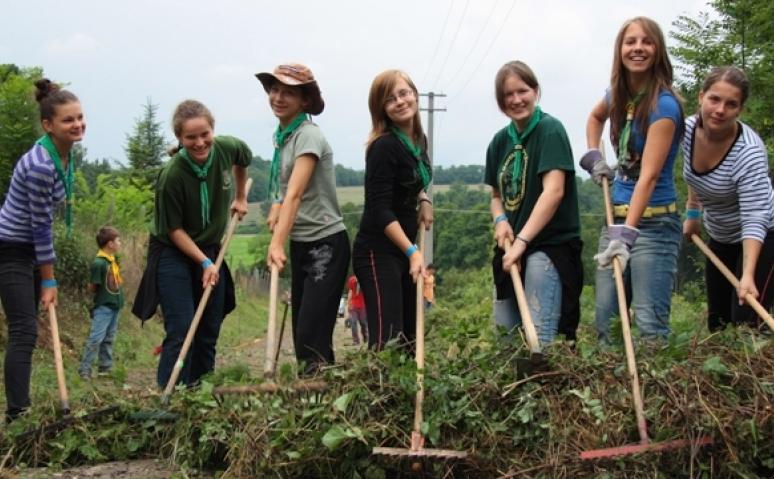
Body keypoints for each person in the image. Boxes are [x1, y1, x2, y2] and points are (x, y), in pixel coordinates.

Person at [582, 16, 684, 344]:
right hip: (617, 219)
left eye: (646, 42)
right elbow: (595, 117)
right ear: (620, 50)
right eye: (630, 42)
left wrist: (626, 236)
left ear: (657, 51)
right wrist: (594, 156)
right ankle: (613, 394)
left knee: (649, 329)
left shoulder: (664, 106)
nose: (638, 48)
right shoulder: (618, 95)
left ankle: (655, 394)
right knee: (606, 324)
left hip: (653, 226)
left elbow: (649, 177)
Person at [135, 99, 250, 388]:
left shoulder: (226, 148)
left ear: (213, 130)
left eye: (204, 135)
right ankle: (171, 396)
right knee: (183, 328)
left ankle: (201, 395)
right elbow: (174, 230)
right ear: (180, 139)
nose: (200, 143)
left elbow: (243, 159)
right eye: (191, 138)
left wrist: (240, 196)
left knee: (209, 326)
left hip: (210, 248)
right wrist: (205, 263)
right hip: (174, 253)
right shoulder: (172, 175)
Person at [0, 79, 84, 422]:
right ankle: (17, 414)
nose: (77, 124)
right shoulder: (40, 165)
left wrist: (45, 271)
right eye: (68, 120)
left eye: (80, 117)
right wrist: (49, 281)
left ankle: (24, 406)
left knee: (29, 327)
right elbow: (39, 227)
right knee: (23, 329)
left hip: (30, 250)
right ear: (48, 125)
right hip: (11, 250)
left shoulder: (64, 153)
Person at [257, 63, 350, 375]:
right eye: (275, 89)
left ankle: (320, 399)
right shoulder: (284, 136)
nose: (278, 97)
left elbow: (295, 194)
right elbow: (285, 192)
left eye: (288, 93)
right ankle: (315, 395)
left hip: (325, 243)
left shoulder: (308, 135)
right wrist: (275, 207)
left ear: (305, 101)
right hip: (302, 243)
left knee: (312, 332)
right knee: (303, 333)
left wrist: (276, 243)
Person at [485, 61, 583, 346]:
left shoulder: (550, 130)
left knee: (539, 338)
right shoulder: (499, 142)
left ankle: (545, 389)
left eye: (522, 91)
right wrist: (500, 220)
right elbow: (495, 197)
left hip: (548, 246)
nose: (516, 100)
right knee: (506, 339)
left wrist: (523, 241)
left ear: (536, 91)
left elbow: (553, 192)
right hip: (511, 247)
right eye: (508, 95)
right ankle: (514, 391)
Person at [682, 66, 774, 331]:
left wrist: (747, 275)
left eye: (731, 104)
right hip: (721, 234)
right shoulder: (686, 130)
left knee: (746, 321)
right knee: (718, 322)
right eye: (714, 99)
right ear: (701, 97)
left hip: (763, 236)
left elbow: (755, 218)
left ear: (740, 110)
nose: (720, 110)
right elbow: (693, 175)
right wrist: (693, 213)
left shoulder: (749, 153)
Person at [352, 69, 433, 350]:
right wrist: (413, 253)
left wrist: (423, 199)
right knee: (388, 340)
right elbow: (380, 209)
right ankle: (380, 393)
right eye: (390, 99)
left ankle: (407, 395)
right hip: (377, 252)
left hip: (403, 249)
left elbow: (412, 179)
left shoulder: (418, 142)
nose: (399, 101)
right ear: (381, 109)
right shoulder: (383, 147)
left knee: (410, 338)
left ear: (414, 94)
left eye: (404, 93)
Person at [78, 226, 124, 379]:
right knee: (96, 338)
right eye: (118, 240)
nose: (120, 243)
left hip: (114, 306)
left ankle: (105, 368)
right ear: (110, 244)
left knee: (109, 338)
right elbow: (93, 287)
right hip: (104, 307)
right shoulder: (99, 263)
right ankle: (85, 369)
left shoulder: (112, 261)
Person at [345, 274, 368, 345]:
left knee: (363, 323)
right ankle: (356, 341)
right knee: (353, 323)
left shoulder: (366, 280)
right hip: (353, 305)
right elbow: (350, 291)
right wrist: (349, 305)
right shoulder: (352, 280)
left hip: (362, 306)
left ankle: (365, 337)